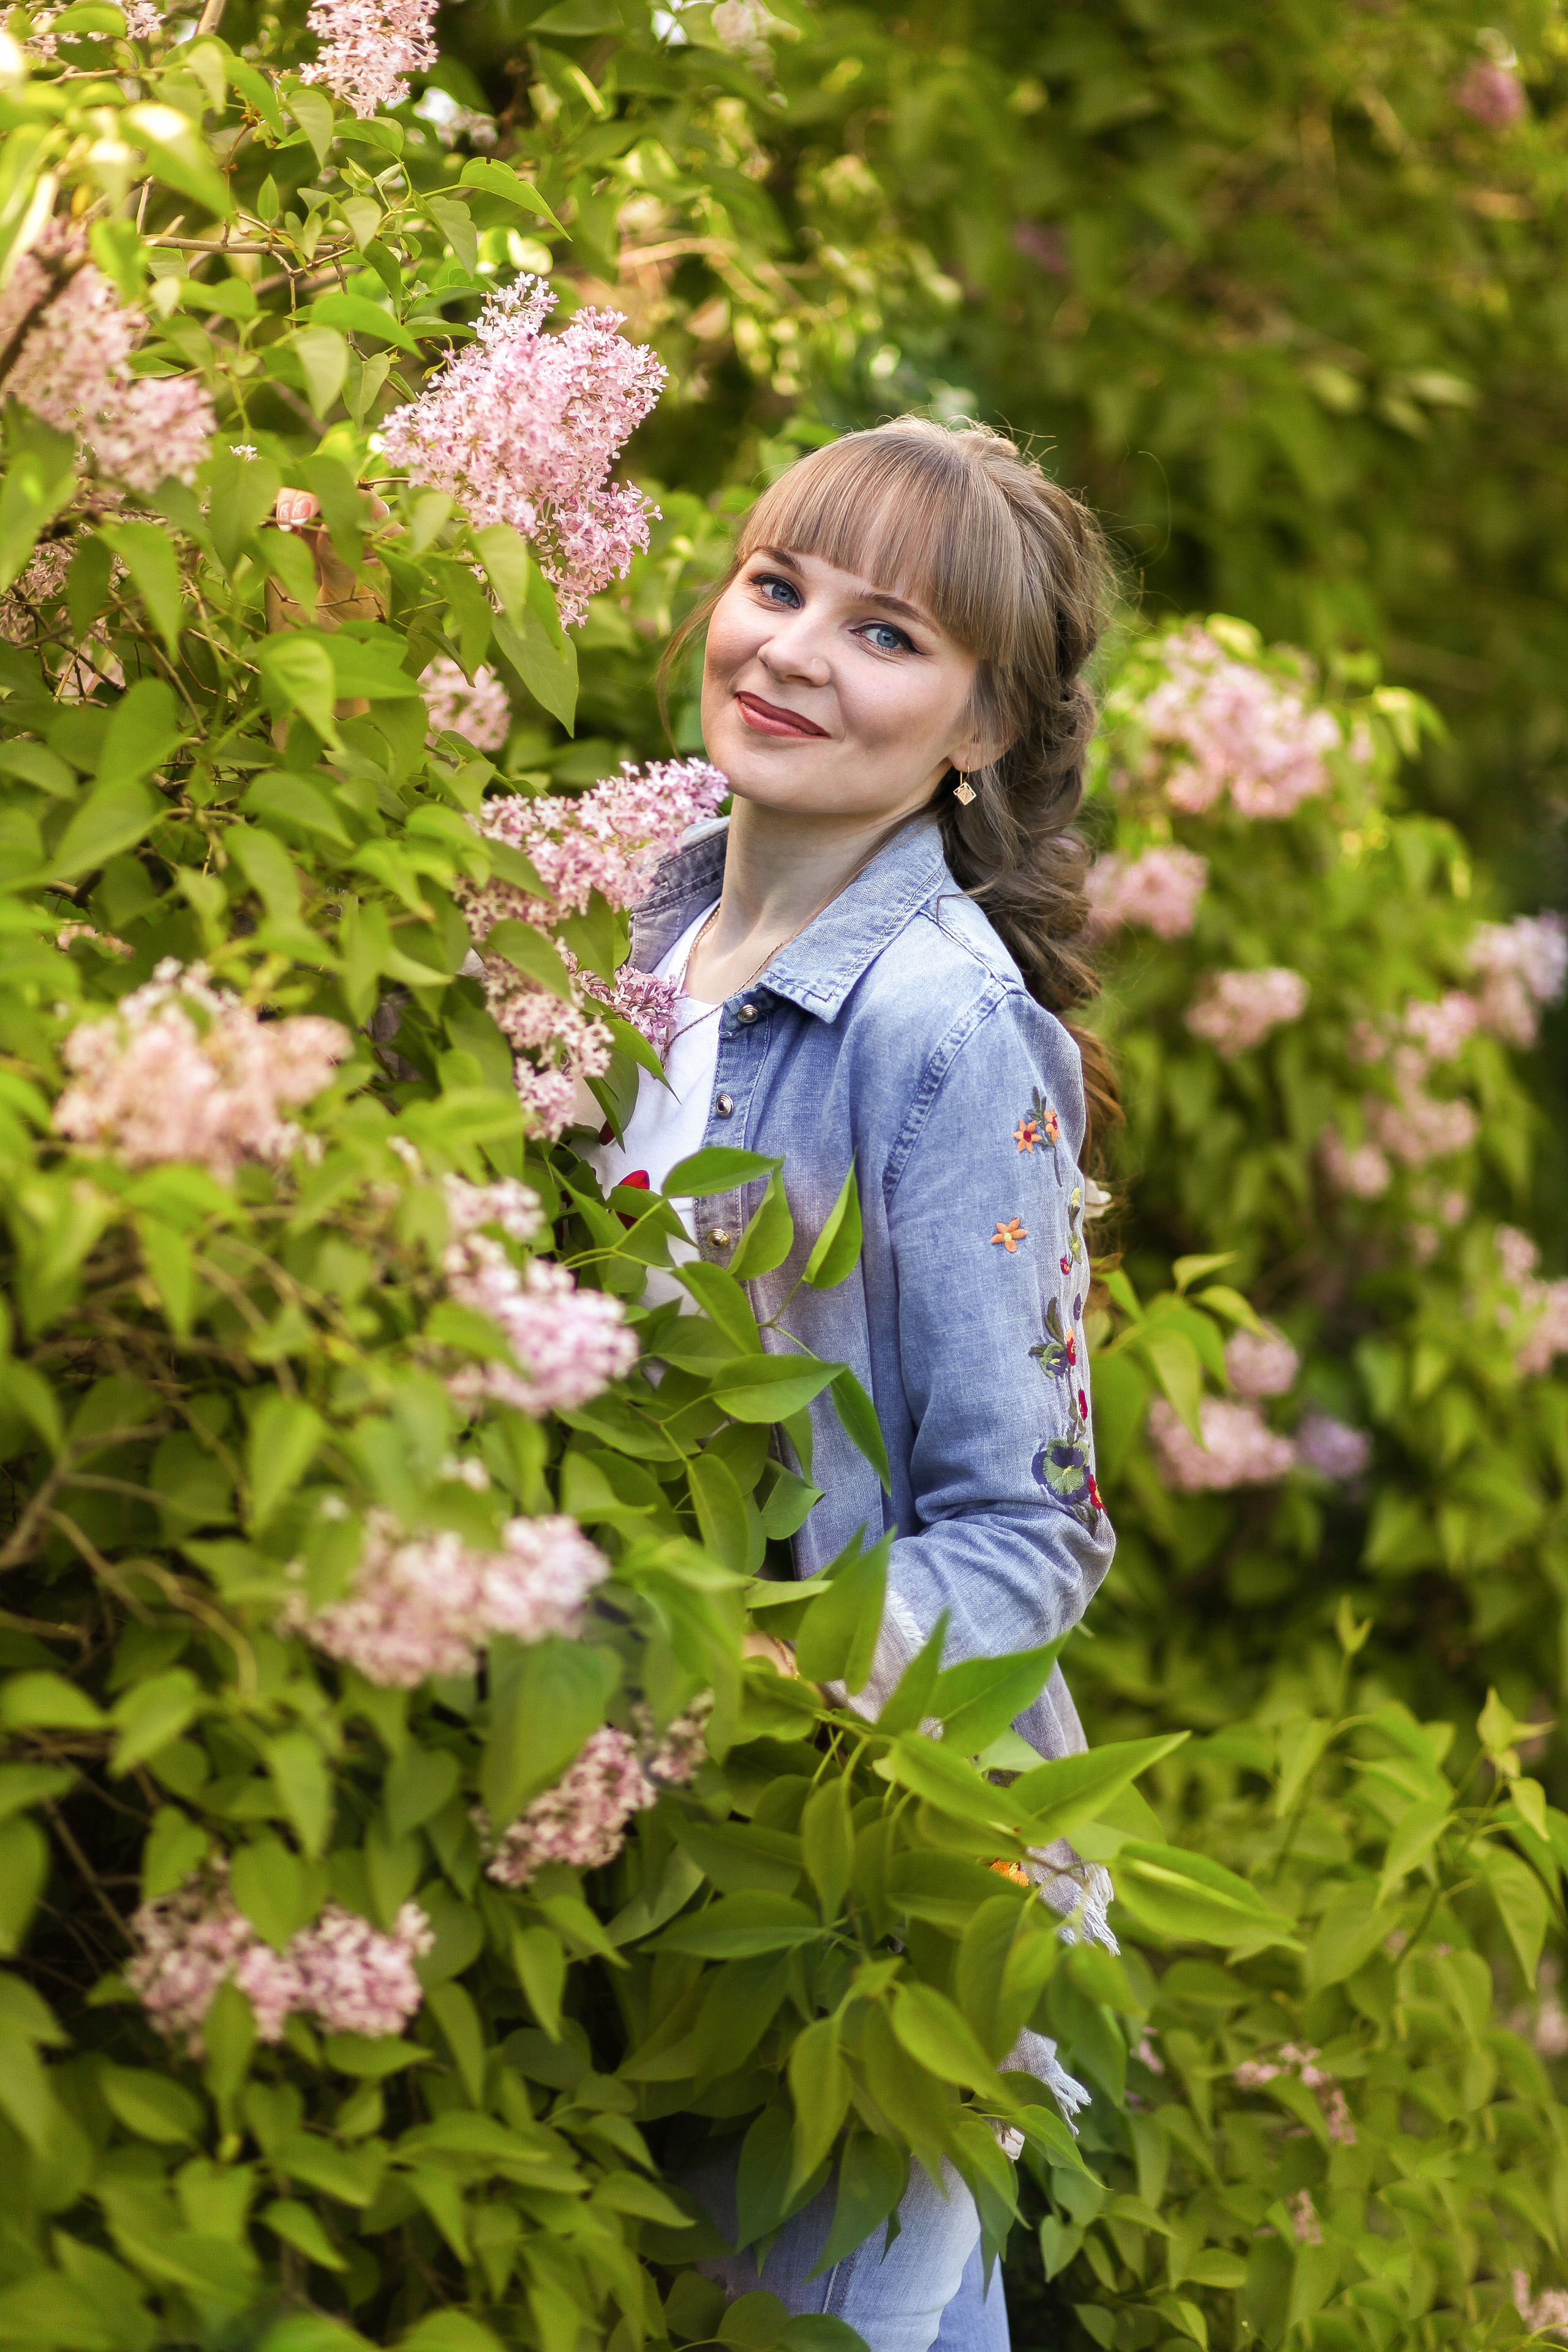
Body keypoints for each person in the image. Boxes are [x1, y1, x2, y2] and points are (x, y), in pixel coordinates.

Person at [586, 417, 1117, 2352]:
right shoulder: (610, 927)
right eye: (778, 585)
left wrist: (746, 1667)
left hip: (846, 1891)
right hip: (610, 1859)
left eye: (888, 634)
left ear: (983, 727)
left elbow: (1031, 1535)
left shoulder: (947, 1032)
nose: (795, 653)